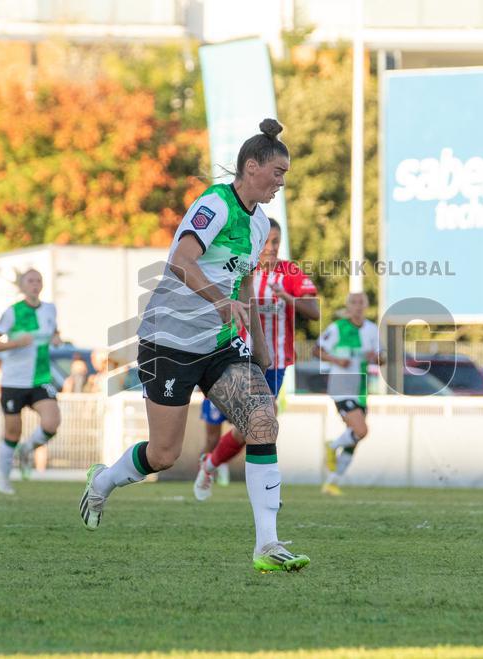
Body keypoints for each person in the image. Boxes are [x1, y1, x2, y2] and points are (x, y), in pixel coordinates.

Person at [79, 118, 310, 573]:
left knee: (262, 420)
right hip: (169, 342)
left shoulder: (261, 224)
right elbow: (180, 260)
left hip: (221, 344)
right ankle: (103, 482)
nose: (282, 182)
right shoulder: (214, 205)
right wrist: (219, 301)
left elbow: (244, 282)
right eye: (278, 172)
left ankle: (268, 545)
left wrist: (258, 342)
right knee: (163, 454)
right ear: (251, 166)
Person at [193, 217, 319, 500]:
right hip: (235, 357)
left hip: (273, 363)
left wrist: (286, 297)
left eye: (276, 242)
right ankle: (264, 489)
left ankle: (212, 464)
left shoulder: (290, 272)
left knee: (253, 427)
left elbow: (314, 311)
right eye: (266, 242)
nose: (271, 248)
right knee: (254, 420)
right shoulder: (239, 267)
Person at [0, 268, 62, 494]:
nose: (35, 284)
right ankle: (3, 480)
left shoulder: (50, 309)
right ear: (22, 286)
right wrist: (15, 343)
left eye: (39, 280)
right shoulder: (13, 312)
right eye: (30, 281)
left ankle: (28, 449)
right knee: (12, 433)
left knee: (52, 423)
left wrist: (57, 338)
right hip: (14, 381)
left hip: (40, 378)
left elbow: (55, 332)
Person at [316, 292, 383, 496]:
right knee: (361, 431)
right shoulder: (337, 328)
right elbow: (316, 350)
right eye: (353, 302)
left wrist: (377, 357)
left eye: (361, 302)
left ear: (366, 305)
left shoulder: (372, 329)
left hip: (361, 389)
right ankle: (332, 445)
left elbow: (383, 359)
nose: (358, 306)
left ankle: (332, 482)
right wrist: (336, 360)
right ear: (348, 306)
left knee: (354, 437)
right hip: (341, 387)